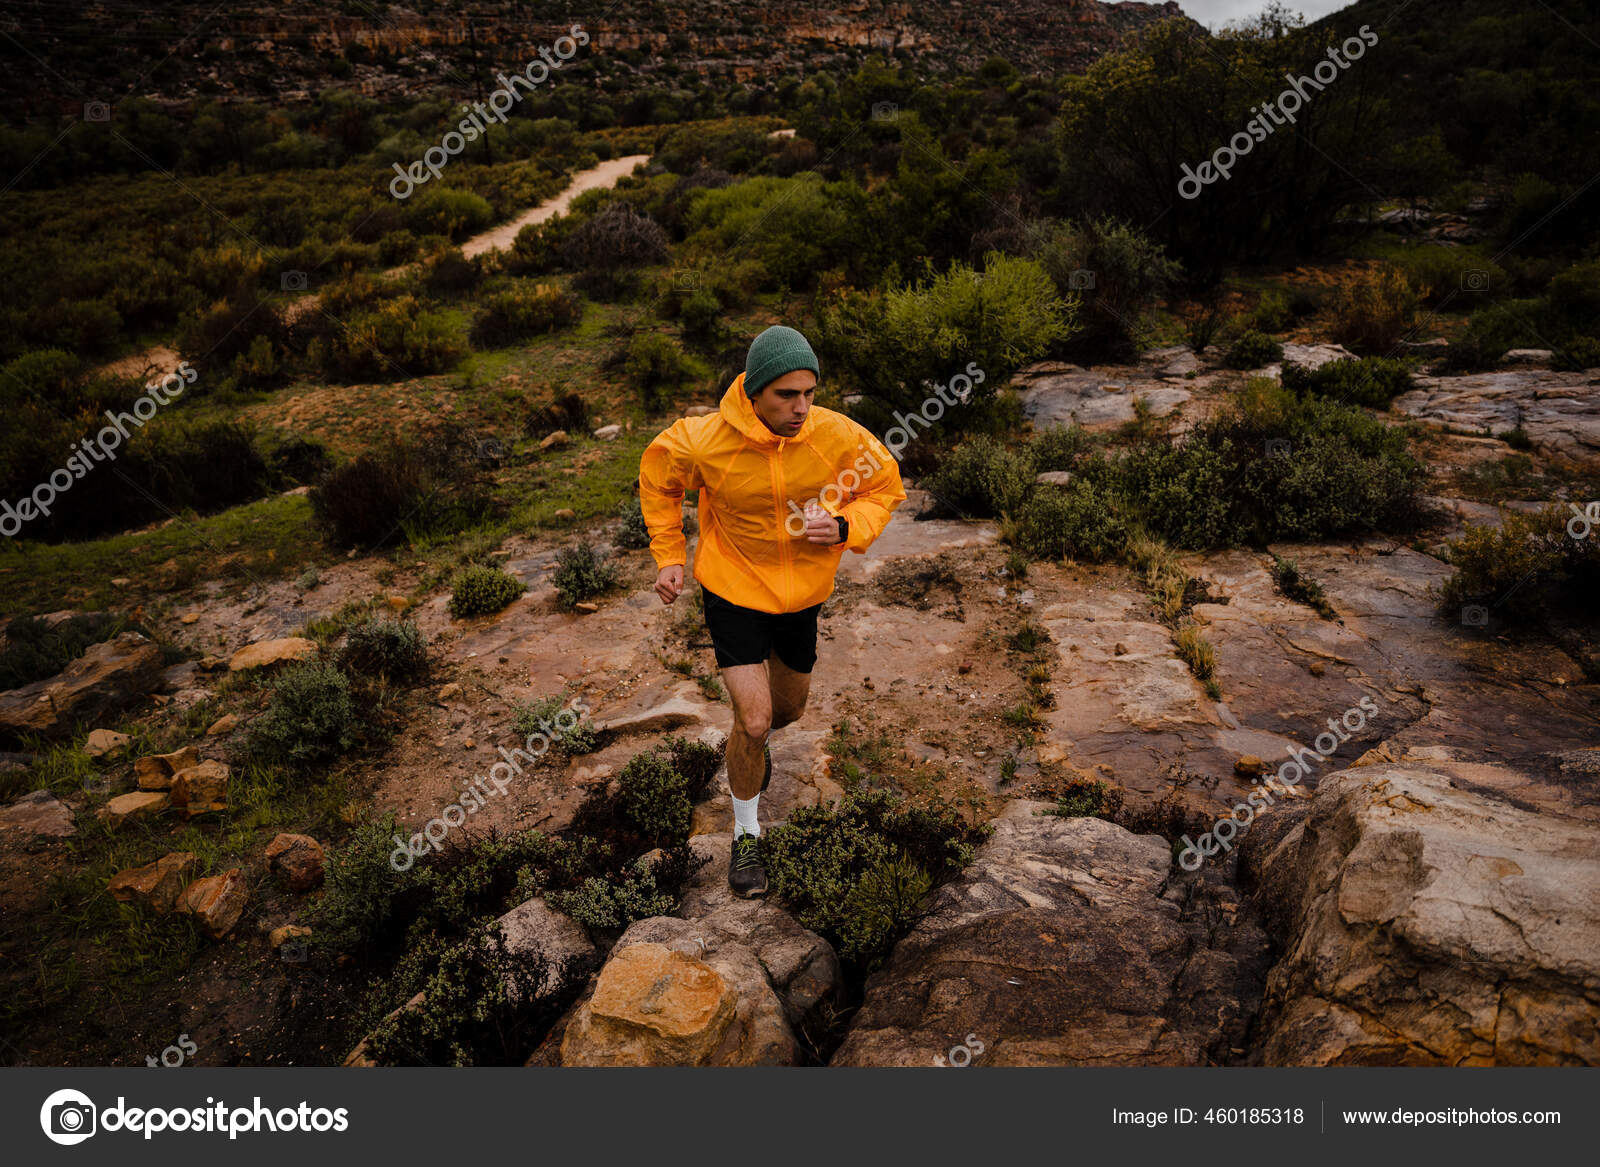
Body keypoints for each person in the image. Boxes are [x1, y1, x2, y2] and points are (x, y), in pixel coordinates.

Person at [638, 324, 906, 897]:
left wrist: (844, 527)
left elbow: (885, 488)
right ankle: (747, 834)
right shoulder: (703, 440)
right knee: (755, 720)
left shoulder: (835, 436)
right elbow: (659, 479)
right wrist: (668, 554)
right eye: (787, 394)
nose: (802, 407)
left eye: (809, 392)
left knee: (785, 714)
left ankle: (749, 754)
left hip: (802, 599)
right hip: (733, 592)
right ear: (754, 391)